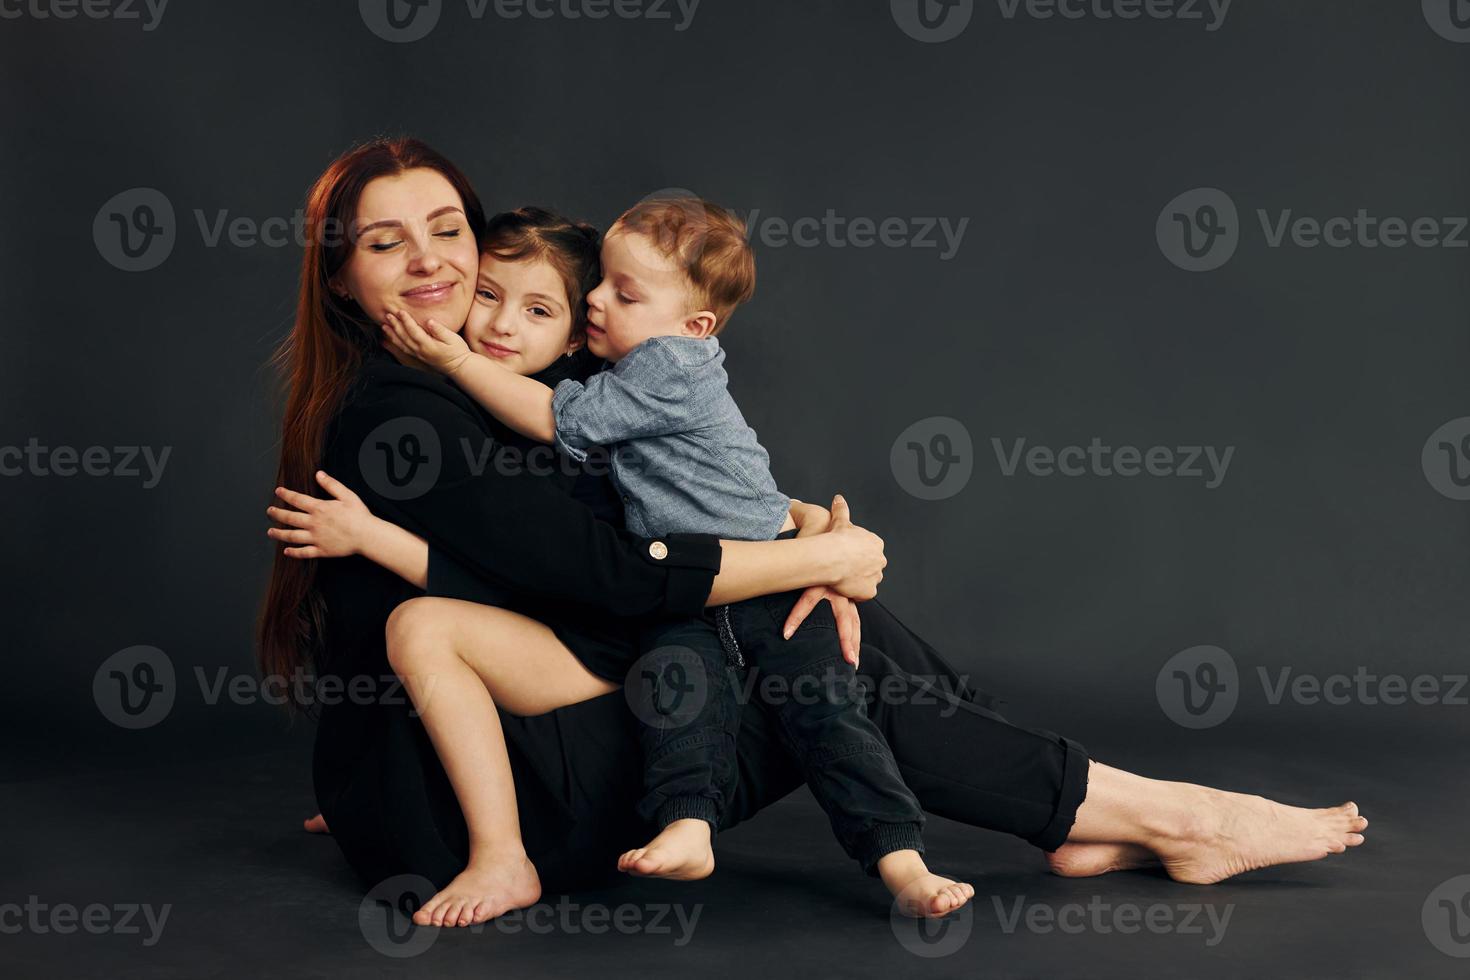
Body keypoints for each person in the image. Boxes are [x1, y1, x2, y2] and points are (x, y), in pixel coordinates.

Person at [262, 136, 1369, 932]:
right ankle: (1172, 815)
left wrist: (788, 527)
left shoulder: (472, 390)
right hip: (493, 812)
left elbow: (611, 515)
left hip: (473, 767)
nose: (434, 262)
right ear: (346, 279)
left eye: (448, 228)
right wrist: (816, 555)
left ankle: (1081, 810)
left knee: (825, 626)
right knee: (825, 648)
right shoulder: (410, 413)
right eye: (387, 242)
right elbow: (602, 575)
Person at [371, 196, 967, 916]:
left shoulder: (666, 366)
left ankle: (902, 862)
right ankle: (689, 826)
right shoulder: (631, 372)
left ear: (695, 327)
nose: (595, 298)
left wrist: (459, 360)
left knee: (826, 714)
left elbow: (558, 420)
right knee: (681, 703)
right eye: (599, 284)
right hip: (693, 589)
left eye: (623, 293)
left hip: (758, 580)